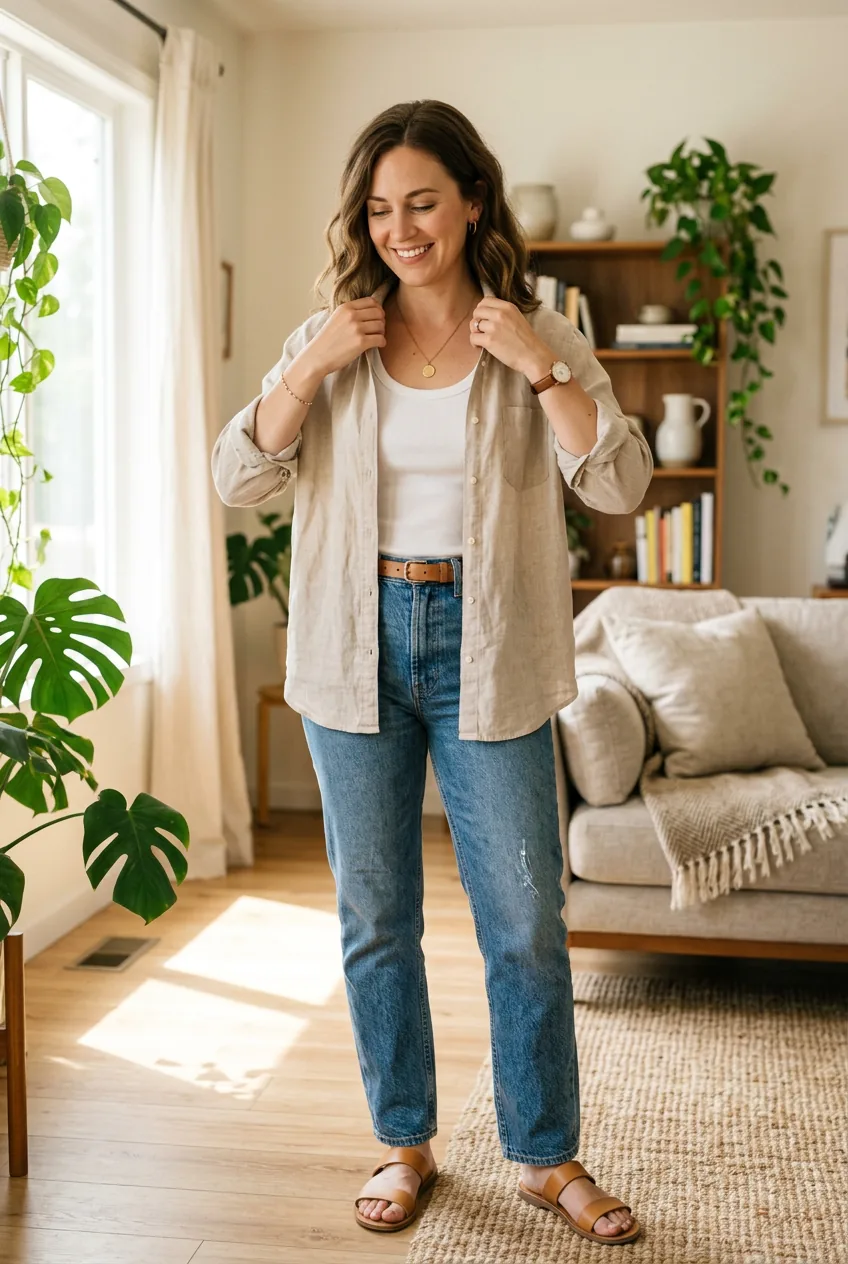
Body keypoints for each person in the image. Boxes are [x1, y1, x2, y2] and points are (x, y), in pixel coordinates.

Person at [212, 99, 652, 1247]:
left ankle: (544, 1156)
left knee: (523, 920)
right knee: (374, 914)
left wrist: (543, 368)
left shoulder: (537, 328)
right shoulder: (336, 332)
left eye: (421, 201)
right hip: (351, 643)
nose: (401, 227)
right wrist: (310, 363)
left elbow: (618, 487)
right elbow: (236, 476)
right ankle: (403, 1139)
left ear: (468, 201)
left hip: (490, 645)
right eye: (379, 208)